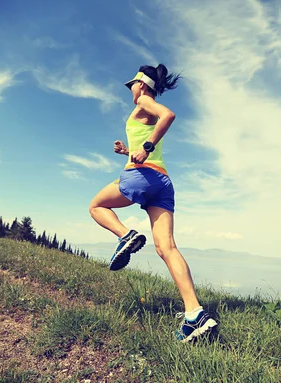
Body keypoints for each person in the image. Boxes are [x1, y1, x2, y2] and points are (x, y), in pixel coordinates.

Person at [88, 64, 218, 342]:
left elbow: (168, 115)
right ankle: (195, 314)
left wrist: (145, 148)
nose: (130, 90)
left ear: (142, 85)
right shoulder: (142, 111)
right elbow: (145, 144)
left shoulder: (144, 101)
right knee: (167, 248)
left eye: (132, 84)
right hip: (162, 183)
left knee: (96, 207)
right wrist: (128, 150)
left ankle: (126, 236)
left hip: (142, 176)